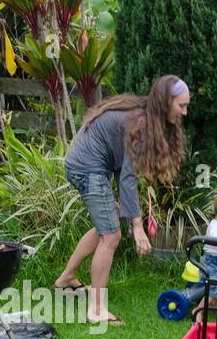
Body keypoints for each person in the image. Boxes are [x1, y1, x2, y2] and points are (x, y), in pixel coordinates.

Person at [56, 75, 190, 325]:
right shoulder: (141, 123)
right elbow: (127, 177)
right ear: (165, 102)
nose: (185, 111)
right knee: (111, 236)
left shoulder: (145, 116)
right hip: (88, 168)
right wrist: (137, 227)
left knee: (105, 227)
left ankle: (66, 279)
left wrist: (131, 214)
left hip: (91, 166)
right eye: (181, 105)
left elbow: (122, 168)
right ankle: (96, 310)